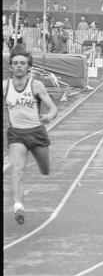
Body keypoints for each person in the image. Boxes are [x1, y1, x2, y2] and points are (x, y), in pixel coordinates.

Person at [3, 47, 58, 224]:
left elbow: (53, 108)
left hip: (36, 133)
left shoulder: (36, 85)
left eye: (22, 63)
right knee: (16, 169)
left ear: (28, 67)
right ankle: (18, 206)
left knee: (45, 170)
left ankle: (42, 166)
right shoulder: (5, 86)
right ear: (11, 66)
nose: (19, 66)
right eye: (15, 63)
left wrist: (49, 116)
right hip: (16, 134)